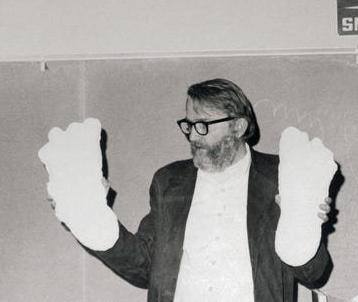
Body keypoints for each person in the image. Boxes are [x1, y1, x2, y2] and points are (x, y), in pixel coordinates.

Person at [39, 78, 335, 302]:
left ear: (239, 126)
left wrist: (306, 227)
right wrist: (88, 219)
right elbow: (145, 267)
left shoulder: (281, 176)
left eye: (203, 125)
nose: (193, 135)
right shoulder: (169, 182)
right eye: (188, 125)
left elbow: (313, 274)